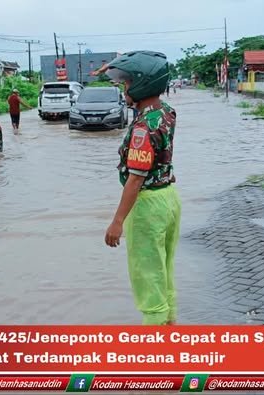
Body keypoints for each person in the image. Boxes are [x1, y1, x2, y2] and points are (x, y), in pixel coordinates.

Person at [103, 51, 181, 326]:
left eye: (126, 83)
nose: (124, 88)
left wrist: (117, 221)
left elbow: (136, 178)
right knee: (164, 271)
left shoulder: (142, 129)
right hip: (169, 198)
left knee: (147, 278)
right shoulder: (166, 112)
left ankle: (154, 350)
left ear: (141, 84)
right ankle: (170, 331)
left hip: (147, 205)